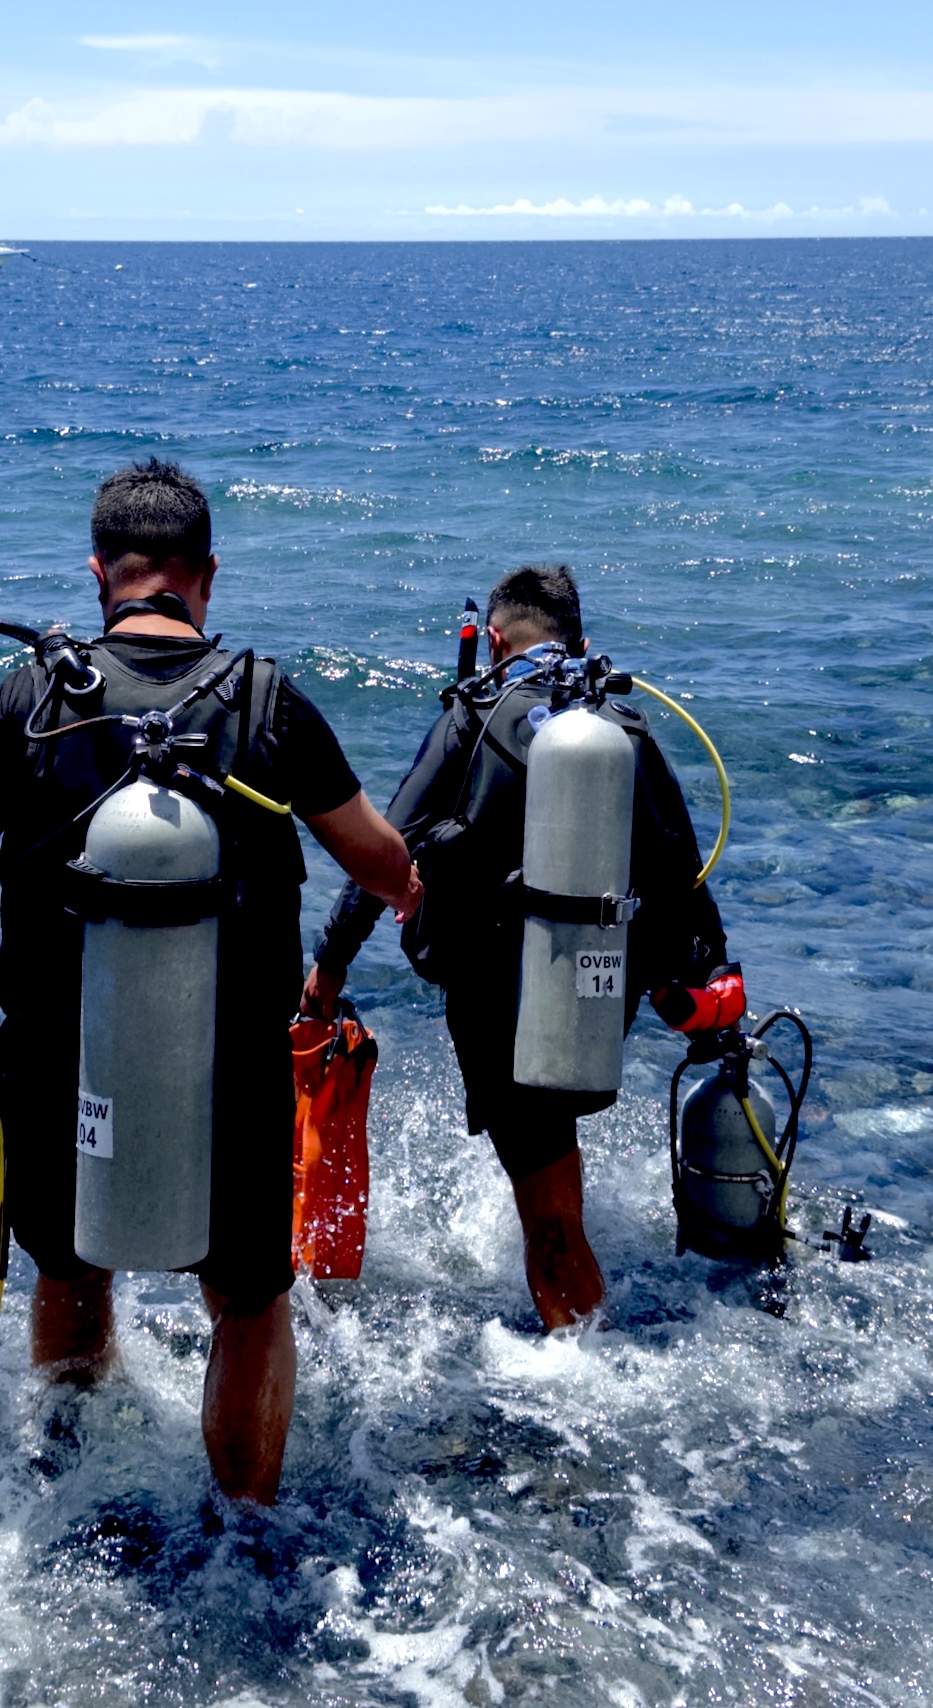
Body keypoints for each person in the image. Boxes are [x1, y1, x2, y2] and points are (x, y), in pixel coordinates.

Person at [0, 460, 418, 1505]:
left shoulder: (29, 696)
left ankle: (67, 1481)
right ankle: (246, 1525)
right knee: (245, 1294)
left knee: (73, 1265)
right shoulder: (268, 702)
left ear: (101, 574)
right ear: (206, 575)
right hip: (226, 1072)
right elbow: (379, 863)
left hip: (61, 1066)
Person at [302, 563, 732, 1331]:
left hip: (499, 996)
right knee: (549, 1152)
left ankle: (581, 1361)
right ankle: (583, 1304)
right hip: (602, 989)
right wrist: (713, 979)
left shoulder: (474, 715)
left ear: (491, 639)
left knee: (547, 1209)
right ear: (579, 642)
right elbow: (680, 869)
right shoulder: (621, 726)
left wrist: (329, 962)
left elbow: (384, 851)